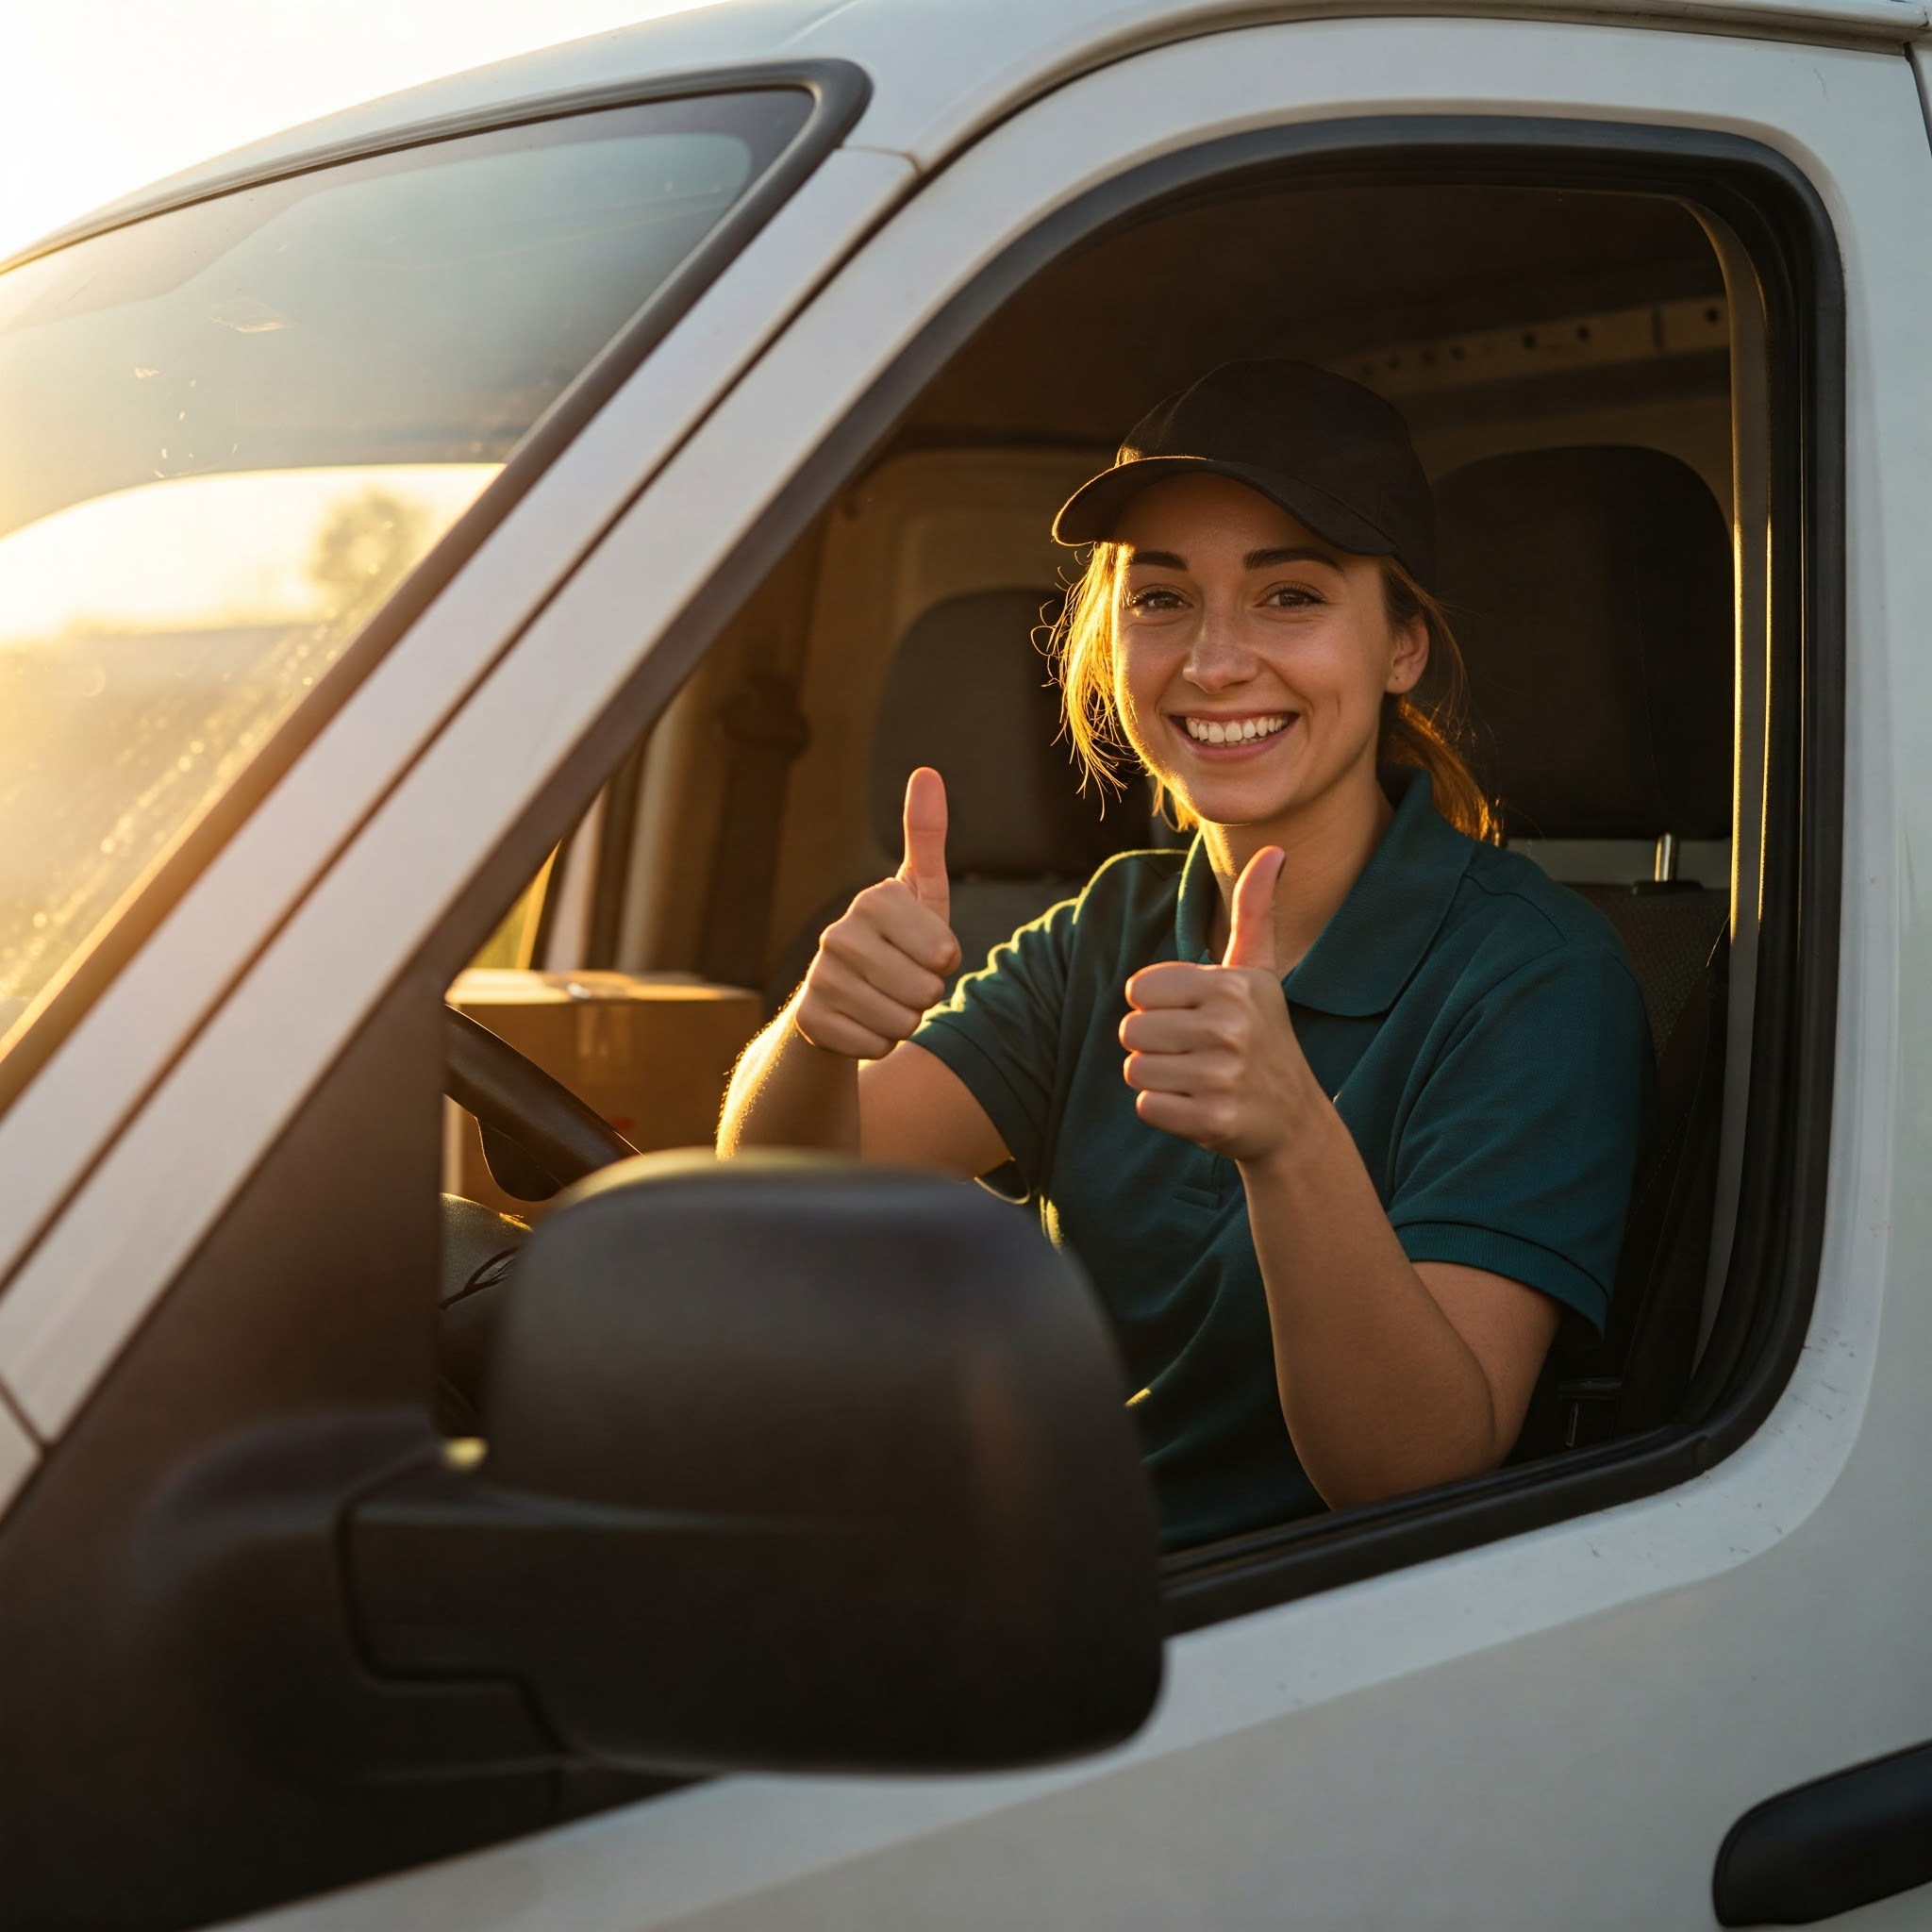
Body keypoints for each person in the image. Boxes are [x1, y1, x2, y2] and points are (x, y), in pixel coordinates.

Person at [719, 359, 1652, 1550]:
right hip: (1022, 1554)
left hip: (1263, 1629)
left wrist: (1288, 1135)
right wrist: (815, 1029)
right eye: (1161, 599)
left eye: (1290, 596)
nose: (1213, 662)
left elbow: (1414, 1468)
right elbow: (780, 1215)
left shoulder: (1532, 979)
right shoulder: (1108, 927)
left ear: (1402, 645)